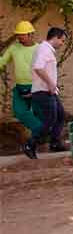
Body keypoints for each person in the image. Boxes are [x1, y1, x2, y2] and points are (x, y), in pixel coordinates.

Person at [0, 21, 43, 156]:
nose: (19, 37)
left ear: (31, 34)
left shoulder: (39, 49)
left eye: (22, 35)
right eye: (18, 35)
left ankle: (32, 146)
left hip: (36, 88)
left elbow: (46, 69)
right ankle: (38, 130)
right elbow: (2, 61)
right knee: (19, 112)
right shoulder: (14, 48)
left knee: (39, 115)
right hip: (20, 88)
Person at [25, 27, 68, 158]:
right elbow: (38, 67)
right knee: (49, 121)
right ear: (54, 37)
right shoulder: (44, 49)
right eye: (62, 40)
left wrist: (53, 87)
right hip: (44, 92)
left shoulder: (45, 49)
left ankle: (55, 143)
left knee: (60, 116)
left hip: (49, 92)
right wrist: (50, 83)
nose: (62, 43)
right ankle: (30, 145)